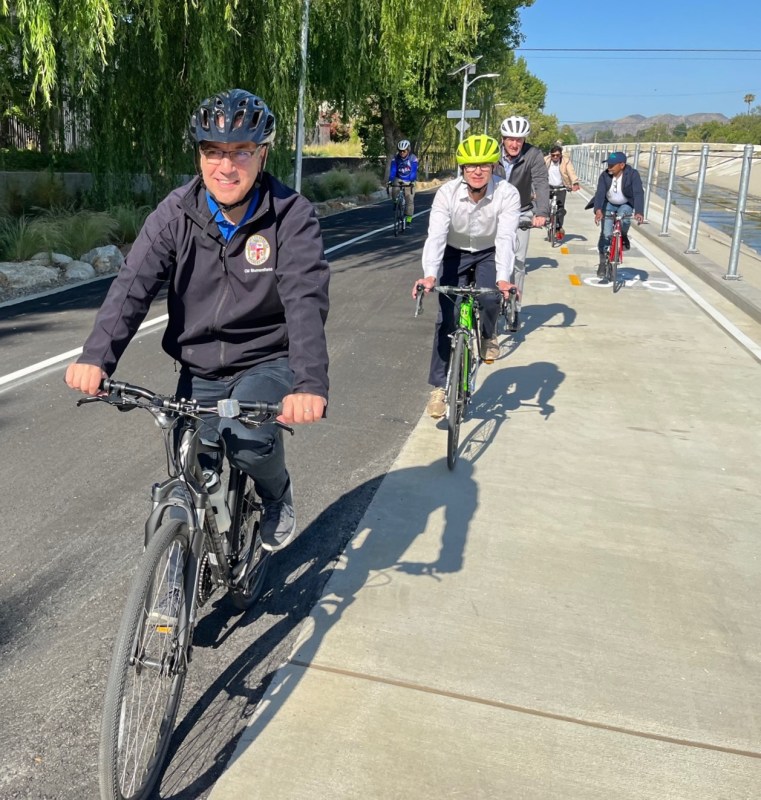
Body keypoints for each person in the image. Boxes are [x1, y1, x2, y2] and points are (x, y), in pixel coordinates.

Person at [64, 88, 330, 554]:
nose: (225, 167)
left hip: (264, 359)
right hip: (199, 366)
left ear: (262, 154)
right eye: (213, 152)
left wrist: (308, 384)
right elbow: (133, 284)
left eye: (240, 152)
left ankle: (275, 494)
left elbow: (305, 300)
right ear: (199, 155)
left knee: (247, 441)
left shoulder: (291, 216)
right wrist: (96, 358)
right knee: (194, 461)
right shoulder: (175, 213)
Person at [412, 134, 521, 419]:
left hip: (489, 250)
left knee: (490, 298)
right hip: (453, 251)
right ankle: (438, 388)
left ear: (493, 167)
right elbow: (435, 235)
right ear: (462, 168)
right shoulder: (447, 193)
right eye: (470, 165)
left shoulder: (507, 193)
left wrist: (504, 278)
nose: (477, 171)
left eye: (484, 165)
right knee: (446, 318)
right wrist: (430, 276)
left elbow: (507, 237)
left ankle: (487, 334)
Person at [494, 115, 549, 329]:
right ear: (503, 138)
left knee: (517, 261)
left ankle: (515, 307)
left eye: (519, 139)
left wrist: (541, 212)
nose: (515, 144)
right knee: (489, 257)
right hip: (495, 212)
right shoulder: (493, 153)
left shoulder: (533, 155)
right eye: (510, 139)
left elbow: (541, 183)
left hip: (522, 211)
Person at [592, 151, 644, 278]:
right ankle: (603, 263)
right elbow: (600, 193)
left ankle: (624, 235)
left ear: (622, 165)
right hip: (609, 203)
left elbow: (638, 193)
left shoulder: (632, 174)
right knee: (606, 233)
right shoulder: (605, 175)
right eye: (608, 164)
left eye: (612, 165)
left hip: (625, 203)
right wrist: (598, 210)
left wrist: (638, 212)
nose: (609, 167)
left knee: (624, 218)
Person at [543, 144, 580, 240]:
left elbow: (571, 172)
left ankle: (559, 226)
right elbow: (538, 171)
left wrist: (574, 183)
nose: (555, 157)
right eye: (553, 155)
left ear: (560, 155)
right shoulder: (546, 160)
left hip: (561, 187)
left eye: (557, 155)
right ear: (550, 155)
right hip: (548, 186)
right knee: (545, 206)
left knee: (560, 209)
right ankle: (548, 222)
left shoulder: (565, 161)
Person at [388, 139, 419, 225]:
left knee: (409, 199)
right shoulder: (395, 158)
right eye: (400, 151)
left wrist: (412, 181)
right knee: (394, 191)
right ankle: (396, 202)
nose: (402, 153)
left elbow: (413, 171)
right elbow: (393, 170)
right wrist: (390, 180)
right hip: (399, 178)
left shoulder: (413, 158)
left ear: (408, 150)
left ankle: (409, 218)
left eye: (404, 151)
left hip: (409, 179)